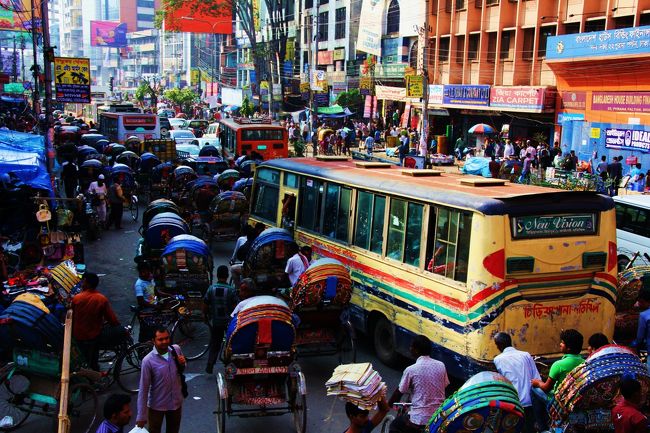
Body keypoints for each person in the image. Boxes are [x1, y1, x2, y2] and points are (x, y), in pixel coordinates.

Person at [388, 335, 449, 433]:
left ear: (416, 350)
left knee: (395, 426)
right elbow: (444, 385)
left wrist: (390, 404)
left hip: (419, 420)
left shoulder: (411, 370)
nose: (410, 348)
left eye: (411, 346)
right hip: (438, 418)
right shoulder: (441, 365)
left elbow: (400, 391)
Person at [531, 329, 584, 432]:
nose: (560, 344)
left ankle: (541, 426)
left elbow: (546, 388)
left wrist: (537, 383)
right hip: (576, 399)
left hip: (559, 402)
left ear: (568, 348)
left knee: (533, 389)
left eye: (562, 343)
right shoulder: (584, 362)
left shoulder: (558, 365)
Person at [136, 327, 186, 433]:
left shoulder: (176, 349)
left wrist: (182, 364)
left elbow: (180, 370)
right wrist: (141, 416)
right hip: (157, 406)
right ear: (153, 341)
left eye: (166, 338)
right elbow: (143, 389)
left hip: (175, 403)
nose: (164, 342)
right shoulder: (148, 361)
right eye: (160, 339)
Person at [71, 272, 120, 371]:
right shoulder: (101, 299)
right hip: (93, 336)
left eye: (82, 281)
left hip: (78, 336)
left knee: (83, 359)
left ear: (86, 282)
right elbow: (113, 320)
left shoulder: (77, 298)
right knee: (93, 360)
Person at [493, 332, 541, 433]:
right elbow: (537, 379)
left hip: (513, 402)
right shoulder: (526, 355)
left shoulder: (498, 360)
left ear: (499, 345)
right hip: (530, 401)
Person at [203, 265, 236, 374]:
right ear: (227, 276)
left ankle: (210, 364)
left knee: (215, 343)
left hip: (216, 322)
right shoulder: (231, 290)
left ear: (217, 275)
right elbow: (236, 306)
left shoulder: (211, 289)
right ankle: (230, 364)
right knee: (231, 343)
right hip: (228, 323)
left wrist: (206, 315)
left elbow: (205, 304)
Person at [632, 283, 650, 372]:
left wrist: (636, 345)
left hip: (647, 348)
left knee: (645, 365)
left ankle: (644, 369)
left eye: (641, 302)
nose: (640, 304)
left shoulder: (644, 315)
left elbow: (640, 337)